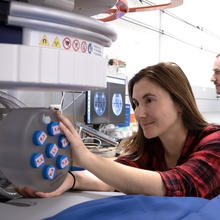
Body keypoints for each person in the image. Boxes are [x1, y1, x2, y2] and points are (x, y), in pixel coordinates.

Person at [15, 62, 220, 199]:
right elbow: (115, 178)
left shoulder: (214, 141)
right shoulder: (152, 146)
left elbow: (177, 186)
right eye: (136, 103)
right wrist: (71, 179)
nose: (139, 114)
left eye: (149, 100)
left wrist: (85, 157)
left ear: (180, 103)